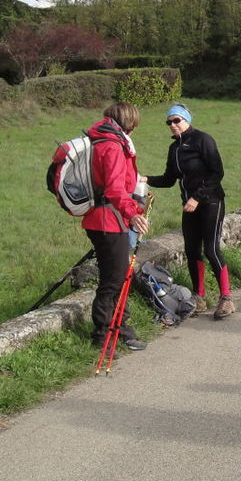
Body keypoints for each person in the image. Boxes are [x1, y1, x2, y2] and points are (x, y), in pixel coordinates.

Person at [144, 104, 233, 320]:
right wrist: (144, 179)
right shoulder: (174, 148)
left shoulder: (203, 140)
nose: (172, 125)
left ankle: (226, 298)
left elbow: (217, 172)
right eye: (169, 122)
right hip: (189, 205)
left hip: (211, 201)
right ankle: (199, 296)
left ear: (187, 120)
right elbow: (168, 179)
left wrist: (197, 197)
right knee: (192, 250)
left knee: (211, 249)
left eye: (177, 120)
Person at [83, 102, 150, 351]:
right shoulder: (112, 145)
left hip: (103, 218)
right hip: (108, 220)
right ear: (129, 123)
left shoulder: (101, 140)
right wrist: (133, 214)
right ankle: (103, 334)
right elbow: (114, 189)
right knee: (114, 279)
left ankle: (119, 327)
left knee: (119, 276)